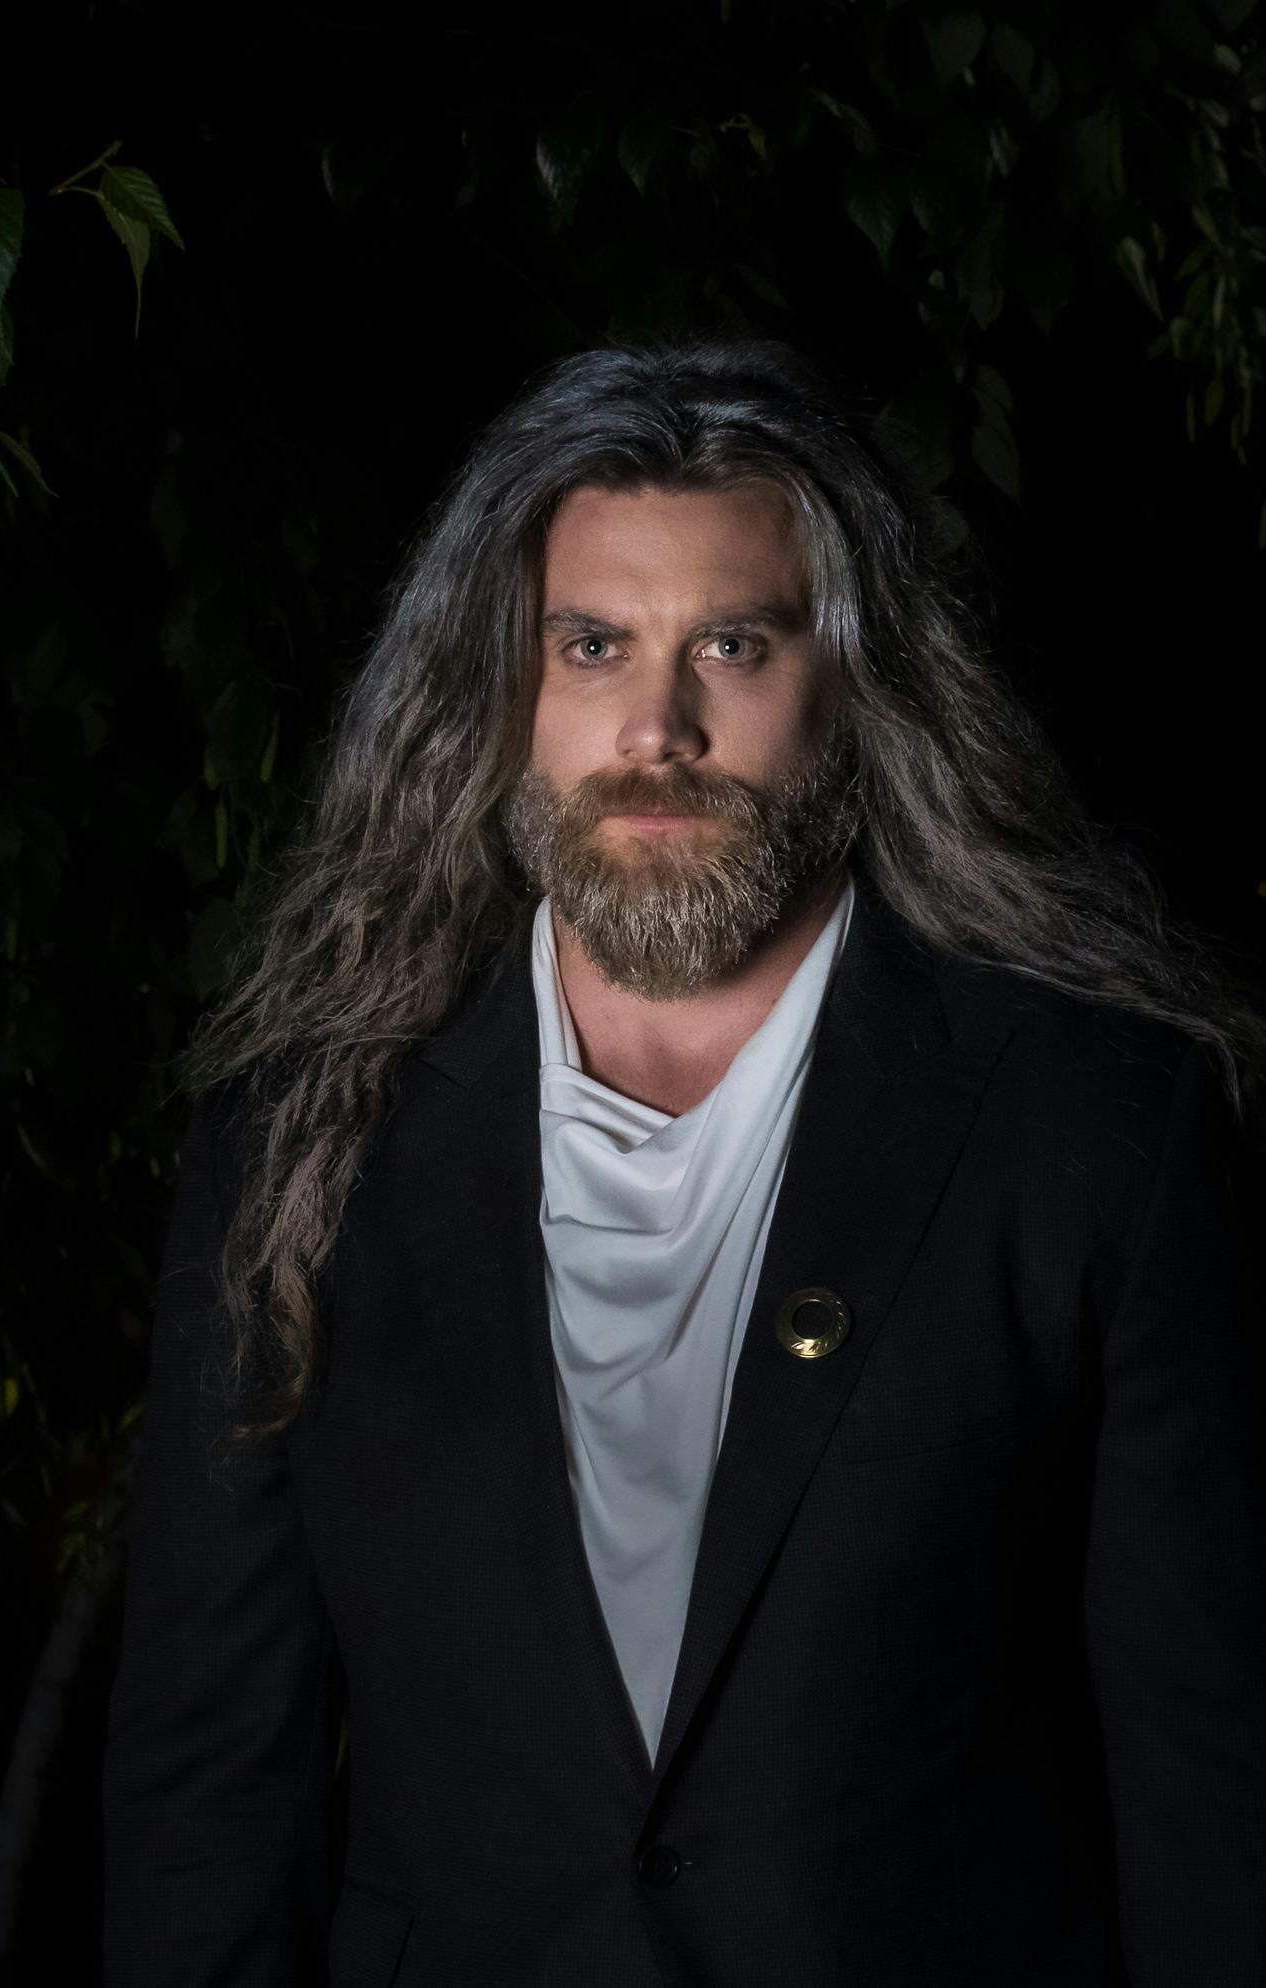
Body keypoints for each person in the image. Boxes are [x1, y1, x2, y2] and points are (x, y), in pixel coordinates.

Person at [100, 336, 1266, 1988]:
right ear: (500, 693)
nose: (658, 728)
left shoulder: (1098, 1127)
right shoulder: (300, 1141)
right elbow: (209, 1792)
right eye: (591, 646)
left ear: (849, 690)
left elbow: (1213, 1779)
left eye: (732, 643)